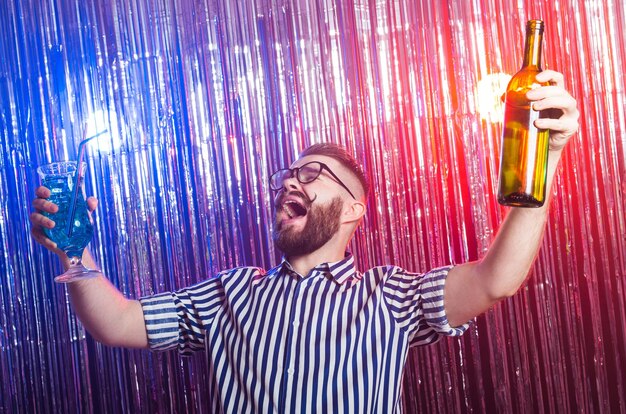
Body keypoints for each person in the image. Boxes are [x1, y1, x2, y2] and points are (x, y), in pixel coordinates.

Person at [30, 69, 579, 413]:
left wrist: (546, 162)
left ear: (354, 211)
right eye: (289, 175)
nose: (292, 181)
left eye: (312, 175)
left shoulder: (387, 297)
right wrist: (75, 253)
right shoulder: (230, 294)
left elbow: (496, 278)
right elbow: (114, 322)